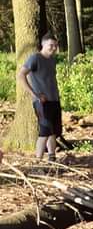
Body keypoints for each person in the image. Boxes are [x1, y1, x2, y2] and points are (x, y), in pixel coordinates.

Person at [17, 33, 62, 162]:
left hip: (54, 100)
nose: (53, 48)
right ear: (43, 45)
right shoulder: (35, 58)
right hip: (42, 102)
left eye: (55, 45)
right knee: (44, 132)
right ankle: (38, 162)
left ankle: (52, 159)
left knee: (53, 132)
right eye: (51, 45)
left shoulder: (52, 60)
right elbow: (21, 75)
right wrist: (35, 95)